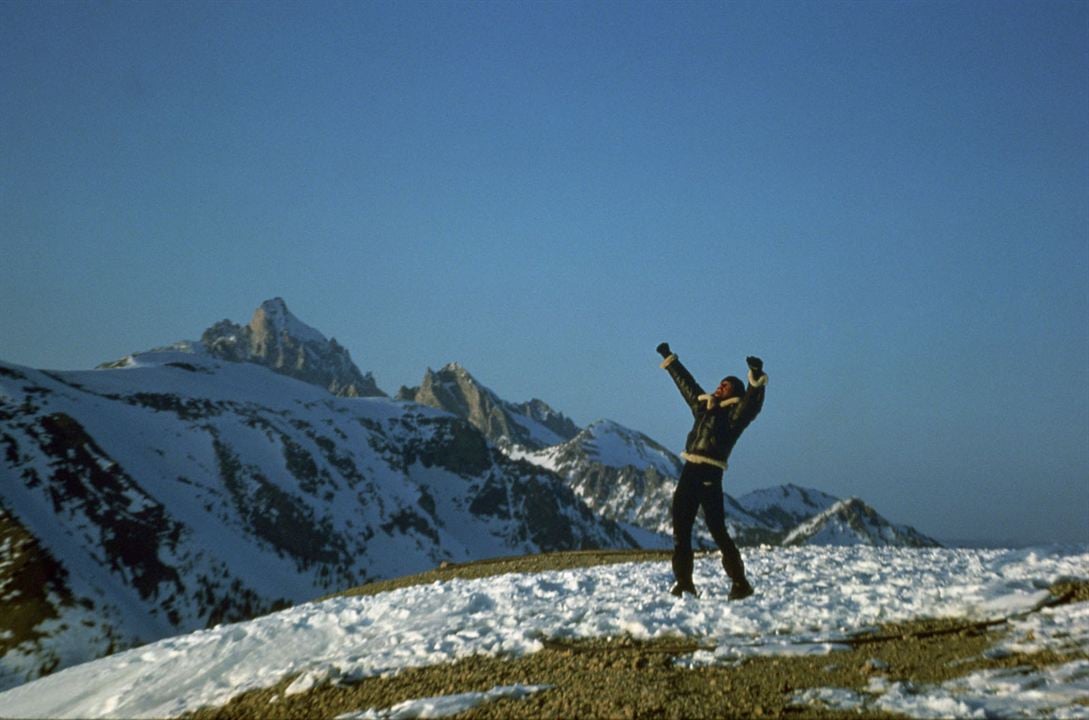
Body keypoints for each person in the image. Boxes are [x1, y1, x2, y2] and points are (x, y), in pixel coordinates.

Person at [656, 342, 767, 600]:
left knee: (718, 531)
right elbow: (687, 385)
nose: (719, 387)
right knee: (680, 531)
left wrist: (755, 379)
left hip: (710, 475)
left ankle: (740, 583)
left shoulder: (735, 415)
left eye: (725, 386)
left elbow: (752, 403)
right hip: (689, 471)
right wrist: (669, 359)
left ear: (734, 393)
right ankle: (684, 584)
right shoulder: (703, 407)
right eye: (720, 383)